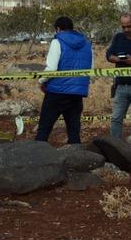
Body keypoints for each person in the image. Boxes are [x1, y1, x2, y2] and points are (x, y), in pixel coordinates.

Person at [36, 16, 93, 145]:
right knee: (74, 133)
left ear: (58, 29)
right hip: (76, 94)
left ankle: (37, 160)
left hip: (56, 92)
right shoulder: (87, 44)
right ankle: (76, 161)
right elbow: (91, 69)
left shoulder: (57, 42)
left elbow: (52, 68)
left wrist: (41, 81)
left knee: (44, 130)